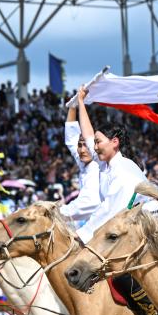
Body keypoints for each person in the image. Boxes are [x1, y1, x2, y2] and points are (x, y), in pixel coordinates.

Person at [75, 87, 158, 315]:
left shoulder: (123, 170)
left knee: (119, 273)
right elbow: (88, 133)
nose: (94, 146)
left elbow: (110, 210)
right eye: (95, 143)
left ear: (114, 142)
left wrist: (82, 236)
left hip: (149, 226)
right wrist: (81, 102)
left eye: (99, 142)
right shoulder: (106, 163)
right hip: (129, 224)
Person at [58, 87, 100, 223]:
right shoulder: (85, 160)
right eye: (80, 145)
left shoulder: (97, 166)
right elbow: (71, 138)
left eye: (86, 145)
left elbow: (88, 203)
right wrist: (73, 106)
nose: (82, 150)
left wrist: (54, 214)